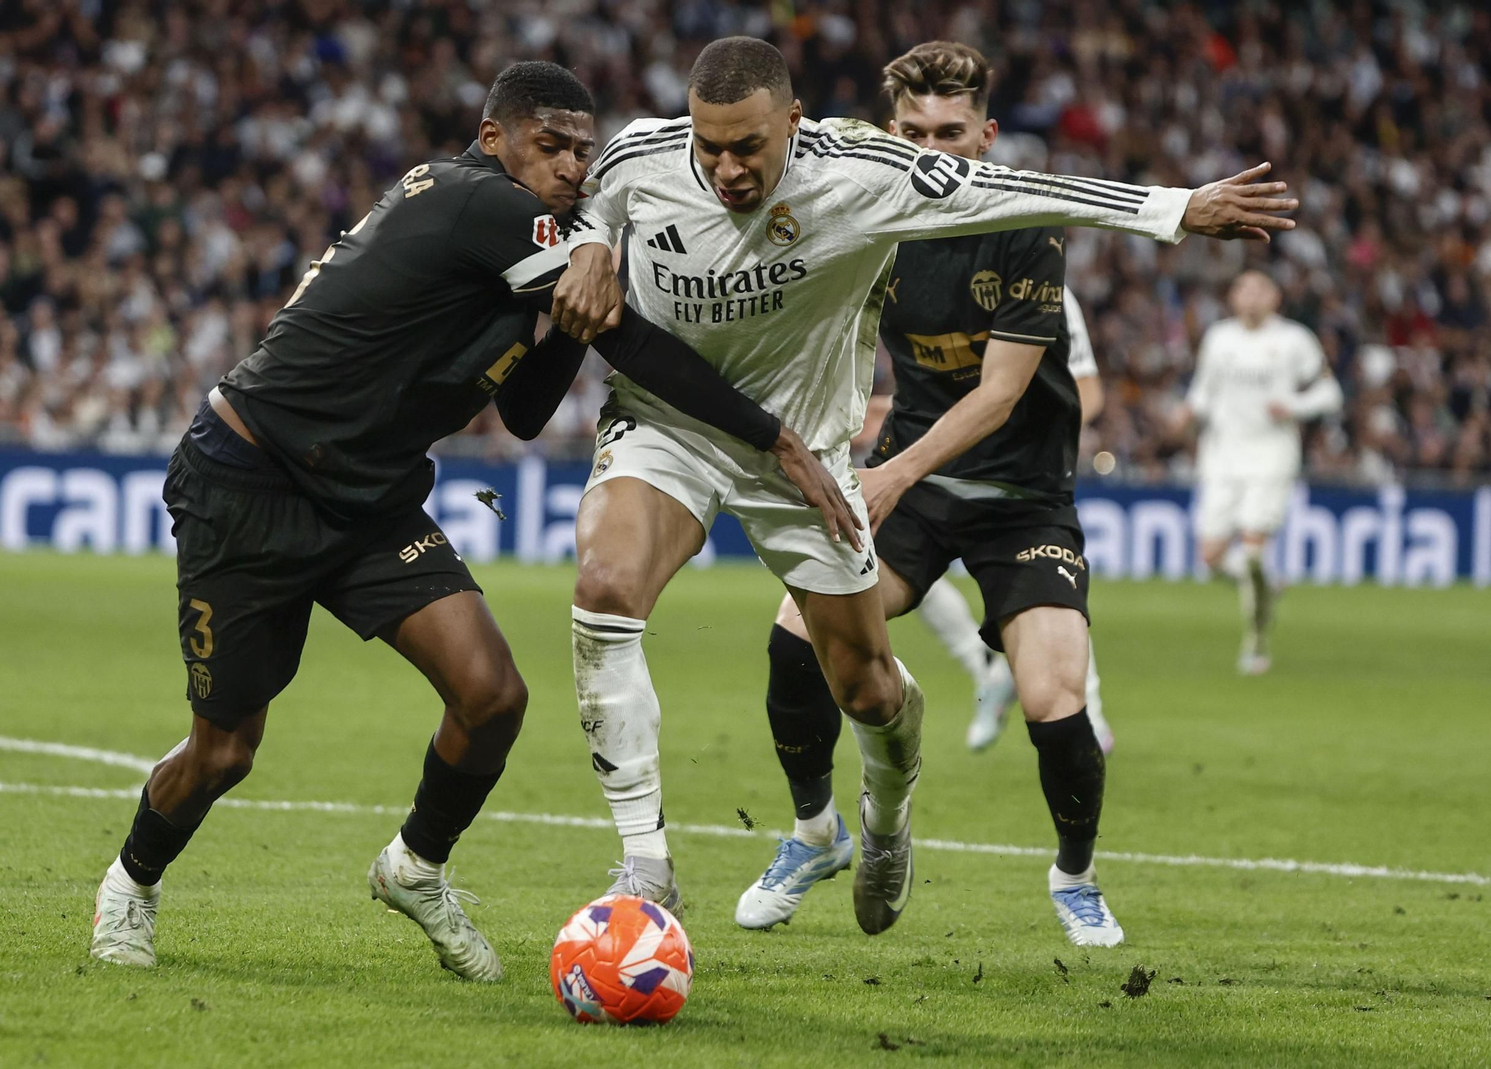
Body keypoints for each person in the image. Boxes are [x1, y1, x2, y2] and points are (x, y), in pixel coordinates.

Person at [87, 61, 851, 981]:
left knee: (492, 695)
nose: (574, 167)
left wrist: (573, 315)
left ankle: (415, 865)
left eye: (583, 149)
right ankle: (130, 885)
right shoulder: (476, 203)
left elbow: (526, 412)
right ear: (495, 139)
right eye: (551, 146)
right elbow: (637, 346)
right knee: (226, 748)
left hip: (368, 501)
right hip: (250, 479)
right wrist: (778, 440)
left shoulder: (525, 250)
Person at [550, 35, 1296, 935]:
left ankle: (981, 845)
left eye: (747, 145)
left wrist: (1179, 207)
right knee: (666, 605)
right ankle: (720, 850)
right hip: (722, 434)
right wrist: (590, 242)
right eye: (710, 146)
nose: (725, 167)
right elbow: (585, 191)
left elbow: (1019, 268)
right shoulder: (663, 155)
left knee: (944, 690)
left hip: (929, 476)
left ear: (794, 122)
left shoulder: (918, 192)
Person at [948, 285, 1116, 755]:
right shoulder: (932, 269)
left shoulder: (1050, 289)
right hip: (947, 461)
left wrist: (1030, 437)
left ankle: (1089, 720)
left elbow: (1089, 391)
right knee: (884, 561)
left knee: (1046, 586)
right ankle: (994, 672)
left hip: (1025, 476)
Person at [1172, 269, 1341, 674]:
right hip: (1221, 458)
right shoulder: (1219, 338)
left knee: (1251, 552)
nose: (1249, 297)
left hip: (1271, 456)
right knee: (1211, 558)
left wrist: (1294, 406)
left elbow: (1330, 392)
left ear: (1275, 297)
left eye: (1258, 290)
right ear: (1231, 296)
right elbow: (1203, 391)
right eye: (1242, 288)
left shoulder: (1294, 340)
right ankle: (1265, 584)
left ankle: (1256, 643)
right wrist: (1188, 412)